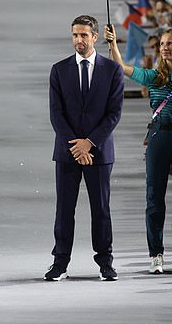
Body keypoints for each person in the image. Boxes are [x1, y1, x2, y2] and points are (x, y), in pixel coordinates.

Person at [107, 25, 172, 275]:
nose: (164, 48)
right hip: (158, 136)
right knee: (154, 199)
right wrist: (113, 45)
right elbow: (121, 68)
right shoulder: (153, 77)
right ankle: (156, 255)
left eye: (170, 43)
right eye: (161, 44)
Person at [45, 15, 124, 282]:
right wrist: (76, 146)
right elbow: (56, 114)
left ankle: (105, 263)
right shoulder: (59, 69)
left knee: (100, 208)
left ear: (95, 37)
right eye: (75, 35)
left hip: (99, 153)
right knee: (64, 209)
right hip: (67, 152)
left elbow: (114, 114)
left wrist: (89, 143)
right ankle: (60, 264)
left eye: (83, 35)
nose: (78, 40)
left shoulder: (112, 70)